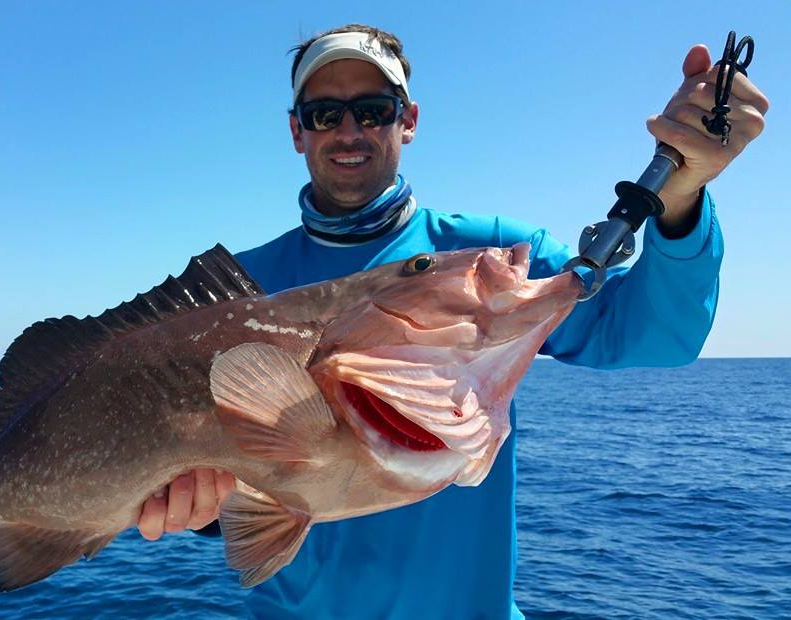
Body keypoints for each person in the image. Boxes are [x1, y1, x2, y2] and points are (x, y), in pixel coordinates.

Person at [135, 24, 768, 619]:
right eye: (325, 114)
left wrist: (681, 193)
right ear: (298, 131)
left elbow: (652, 336)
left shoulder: (487, 255)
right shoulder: (235, 293)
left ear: (407, 121)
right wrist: (207, 508)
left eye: (375, 109)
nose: (348, 130)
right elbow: (210, 462)